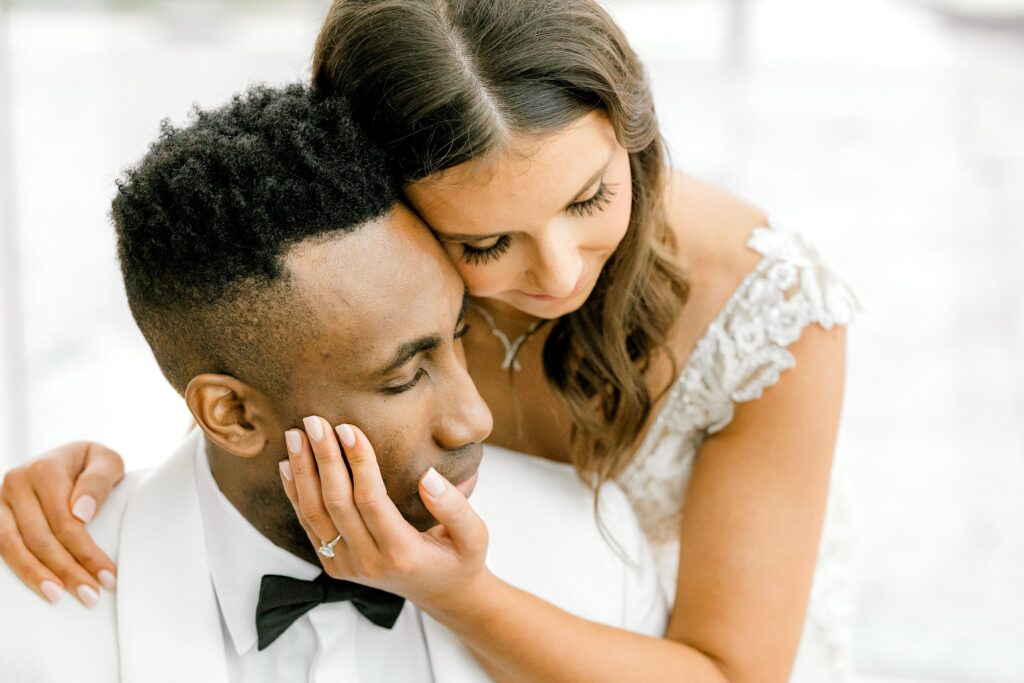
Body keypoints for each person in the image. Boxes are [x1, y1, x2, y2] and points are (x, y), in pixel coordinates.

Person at [0, 1, 861, 680]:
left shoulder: (770, 311)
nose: (560, 276)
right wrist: (112, 490)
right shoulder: (385, 266)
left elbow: (734, 673)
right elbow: (278, 357)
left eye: (592, 197)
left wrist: (463, 596)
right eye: (484, 244)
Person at [0, 84, 666, 682]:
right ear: (230, 413)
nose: (473, 418)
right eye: (405, 375)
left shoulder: (594, 546)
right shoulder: (25, 623)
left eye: (461, 333)